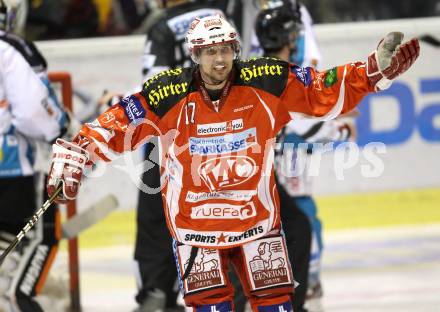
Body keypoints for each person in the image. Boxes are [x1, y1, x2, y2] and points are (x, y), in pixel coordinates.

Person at [47, 14, 419, 311]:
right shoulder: (167, 91)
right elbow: (118, 121)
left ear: (235, 50)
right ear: (195, 54)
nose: (219, 59)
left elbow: (320, 88)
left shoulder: (267, 80)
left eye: (226, 49)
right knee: (211, 309)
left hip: (257, 224)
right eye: (210, 52)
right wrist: (78, 152)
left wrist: (371, 73)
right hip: (196, 232)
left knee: (276, 306)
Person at [255, 3, 359, 312]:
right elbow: (305, 121)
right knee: (299, 219)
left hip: (248, 164)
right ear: (290, 38)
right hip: (275, 158)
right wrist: (339, 131)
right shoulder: (288, 75)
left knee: (274, 225)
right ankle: (300, 287)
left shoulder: (250, 68)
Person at [135, 1, 225, 311]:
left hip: (169, 142)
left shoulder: (163, 27)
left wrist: (120, 102)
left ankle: (156, 292)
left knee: (155, 220)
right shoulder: (222, 17)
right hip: (218, 139)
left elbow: (154, 89)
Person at [0, 0, 69, 311]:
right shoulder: (10, 49)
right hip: (9, 174)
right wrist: (61, 124)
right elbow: (33, 113)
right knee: (41, 236)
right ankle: (17, 299)